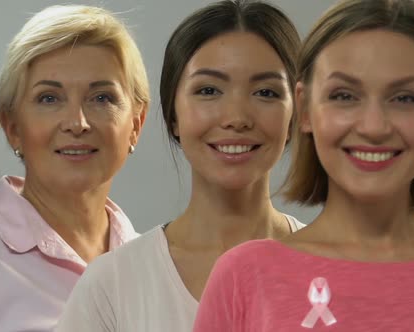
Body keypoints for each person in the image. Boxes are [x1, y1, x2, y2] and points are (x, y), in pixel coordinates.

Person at [193, 0, 414, 331]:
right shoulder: (244, 275)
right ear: (305, 109)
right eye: (344, 96)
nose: (374, 127)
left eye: (404, 98)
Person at [56, 1, 303, 331]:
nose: (236, 118)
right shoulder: (111, 285)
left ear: (295, 114)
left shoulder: (339, 271)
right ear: (174, 115)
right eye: (209, 90)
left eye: (265, 92)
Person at [0, 5, 149, 331]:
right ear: (12, 126)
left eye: (102, 98)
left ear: (136, 123)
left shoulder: (156, 265)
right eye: (49, 98)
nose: (77, 123)